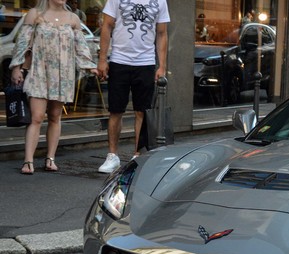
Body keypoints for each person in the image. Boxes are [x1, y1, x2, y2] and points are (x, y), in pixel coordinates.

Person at [9, 0, 97, 175]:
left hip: (63, 74)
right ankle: (28, 160)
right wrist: (16, 67)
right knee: (37, 116)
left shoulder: (73, 18)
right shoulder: (35, 14)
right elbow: (22, 43)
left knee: (55, 116)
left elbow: (81, 47)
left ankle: (50, 158)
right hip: (39, 71)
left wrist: (89, 66)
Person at [96, 0, 170, 174]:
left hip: (145, 62)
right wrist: (102, 59)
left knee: (142, 111)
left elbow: (162, 33)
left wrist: (162, 66)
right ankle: (112, 156)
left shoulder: (160, 1)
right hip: (119, 60)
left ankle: (138, 156)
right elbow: (106, 26)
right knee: (115, 110)